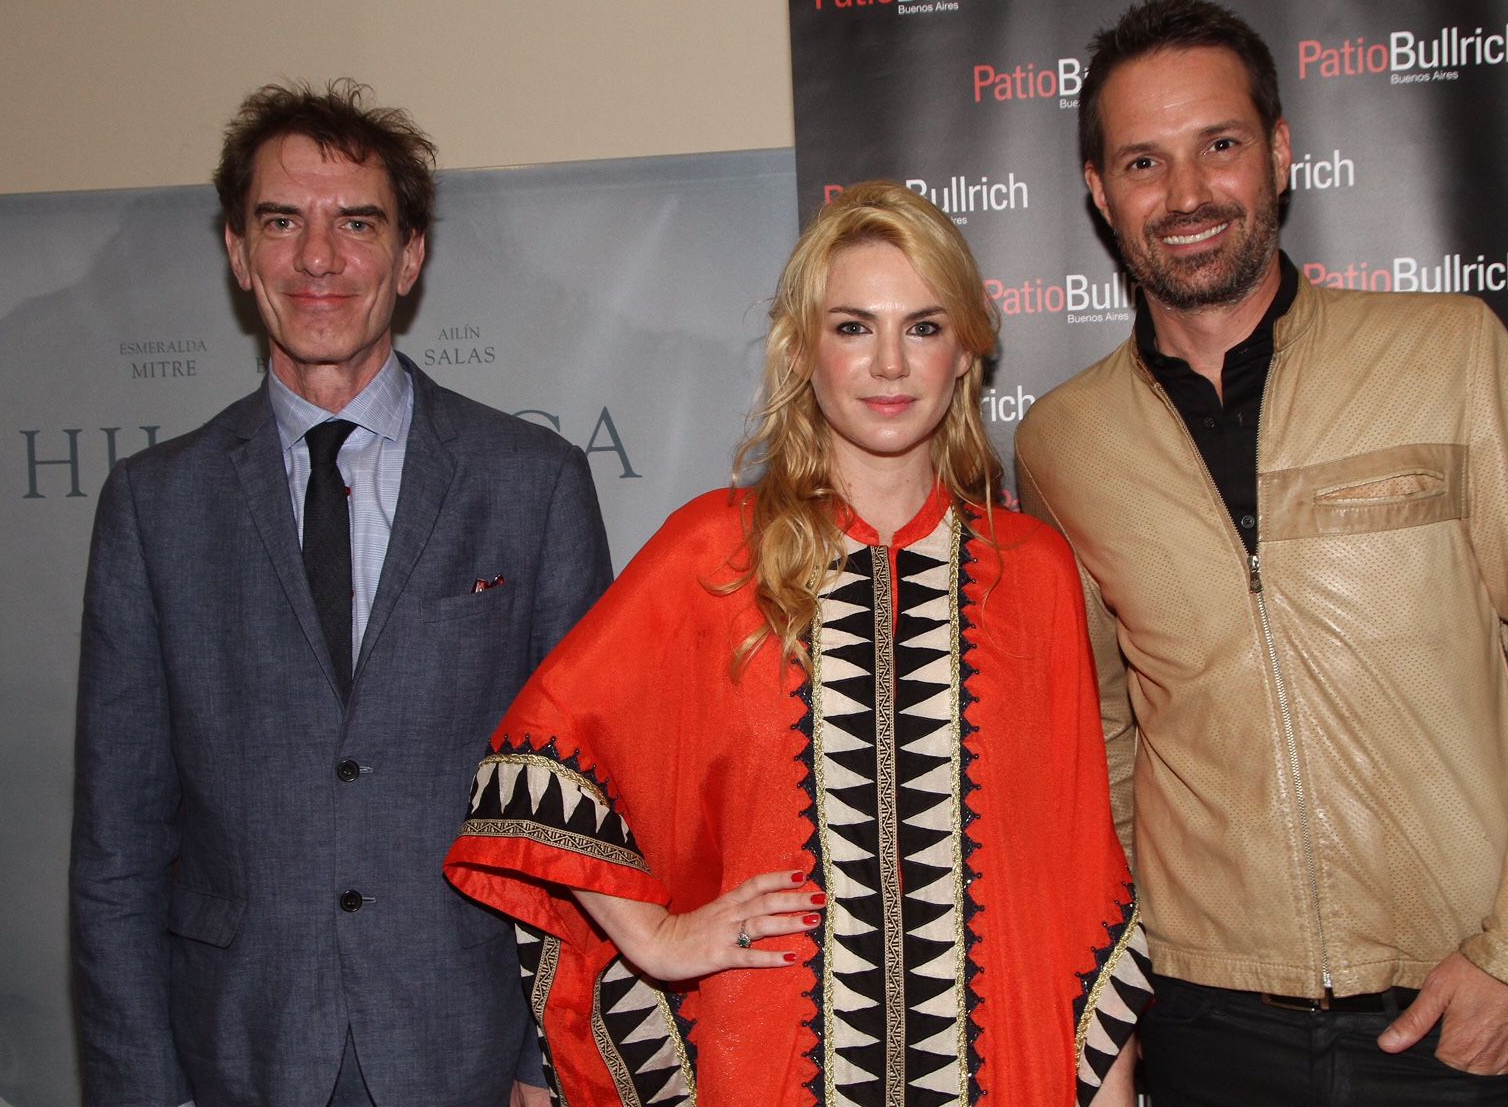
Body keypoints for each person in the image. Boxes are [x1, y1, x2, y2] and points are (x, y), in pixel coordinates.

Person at [1015, 0, 1508, 1106]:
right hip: (1206, 1025)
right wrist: (1132, 973)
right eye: (1144, 162)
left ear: (1279, 153)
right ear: (1100, 192)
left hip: (1460, 1009)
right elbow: (1099, 733)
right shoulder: (1064, 441)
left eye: (1219, 145)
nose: (1187, 194)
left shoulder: (1447, 354)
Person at [445, 181, 1148, 1106]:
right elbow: (538, 761)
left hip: (1008, 1068)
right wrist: (656, 938)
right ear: (803, 350)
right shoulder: (714, 552)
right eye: (854, 327)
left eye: (923, 326)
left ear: (967, 351)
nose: (889, 363)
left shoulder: (1033, 571)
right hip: (770, 1060)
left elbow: (1079, 875)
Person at [70, 81, 610, 1107]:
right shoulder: (154, 506)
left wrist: (551, 1059)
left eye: (357, 223)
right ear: (238, 252)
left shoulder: (530, 485)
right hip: (236, 1051)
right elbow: (117, 846)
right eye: (282, 222)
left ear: (409, 258)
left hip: (470, 1051)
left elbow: (586, 808)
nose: (318, 259)